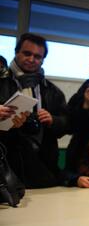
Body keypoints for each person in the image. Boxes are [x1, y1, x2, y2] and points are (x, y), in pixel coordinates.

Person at [0, 33, 69, 188]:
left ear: (43, 59)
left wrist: (54, 120)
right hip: (6, 164)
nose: (31, 59)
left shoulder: (52, 90)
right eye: (27, 53)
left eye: (37, 56)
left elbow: (68, 123)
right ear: (16, 52)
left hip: (43, 166)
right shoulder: (1, 81)